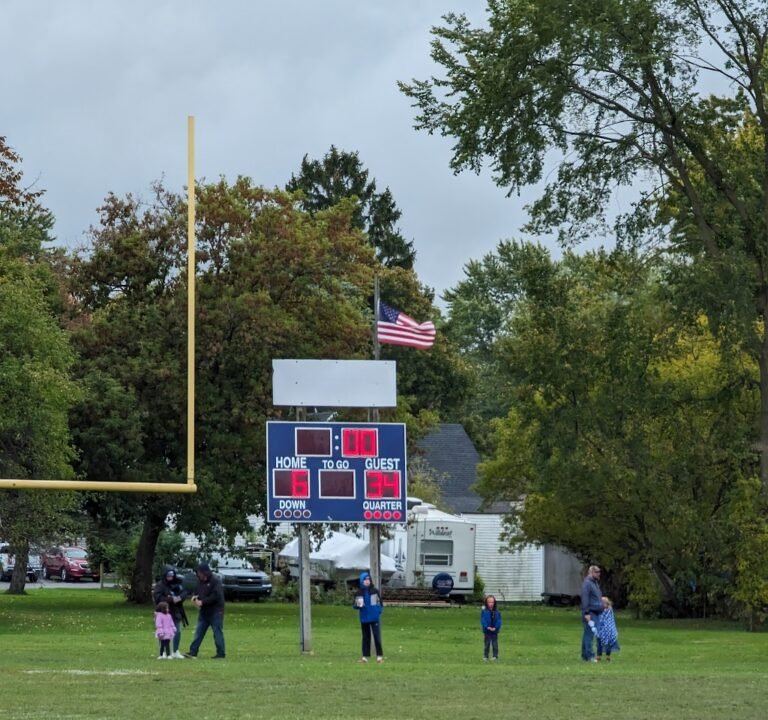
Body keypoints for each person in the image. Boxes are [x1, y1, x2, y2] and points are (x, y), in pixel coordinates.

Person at [184, 562, 226, 659]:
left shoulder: (215, 581)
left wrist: (203, 602)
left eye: (200, 573)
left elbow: (216, 596)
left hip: (216, 611)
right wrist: (195, 598)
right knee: (198, 632)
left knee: (217, 632)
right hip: (204, 612)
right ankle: (193, 651)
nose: (198, 575)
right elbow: (197, 592)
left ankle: (221, 653)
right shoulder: (199, 582)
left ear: (205, 572)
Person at [152, 566, 189, 659]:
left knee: (177, 631)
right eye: (168, 576)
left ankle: (175, 650)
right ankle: (163, 651)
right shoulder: (160, 585)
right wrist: (170, 599)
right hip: (164, 612)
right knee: (163, 632)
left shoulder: (177, 583)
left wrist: (179, 598)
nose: (170, 578)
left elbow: (184, 592)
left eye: (172, 575)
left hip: (176, 610)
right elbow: (157, 598)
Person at [353, 570, 383, 663]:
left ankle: (379, 655)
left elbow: (379, 603)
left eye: (368, 579)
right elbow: (355, 606)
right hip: (364, 618)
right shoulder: (359, 592)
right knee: (365, 637)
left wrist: (378, 611)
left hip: (374, 617)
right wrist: (357, 605)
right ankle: (365, 656)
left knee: (376, 636)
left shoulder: (374, 591)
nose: (367, 581)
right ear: (362, 581)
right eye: (365, 579)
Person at [580, 565, 603, 662]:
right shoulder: (587, 584)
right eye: (597, 572)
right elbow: (585, 598)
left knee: (588, 634)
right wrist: (586, 612)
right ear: (591, 572)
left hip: (596, 612)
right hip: (591, 613)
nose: (599, 574)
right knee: (589, 635)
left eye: (599, 572)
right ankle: (589, 656)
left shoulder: (595, 583)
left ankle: (585, 656)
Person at [596, 596, 620, 661]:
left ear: (607, 604)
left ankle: (608, 656)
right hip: (600, 630)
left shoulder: (609, 610)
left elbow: (610, 620)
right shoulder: (599, 610)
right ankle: (598, 656)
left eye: (603, 603)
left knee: (608, 643)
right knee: (599, 643)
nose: (602, 604)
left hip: (608, 629)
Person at [480, 594, 502, 661]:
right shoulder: (484, 611)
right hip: (487, 630)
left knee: (495, 644)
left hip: (494, 630)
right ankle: (486, 656)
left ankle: (495, 656)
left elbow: (499, 620)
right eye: (489, 602)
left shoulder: (497, 612)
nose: (491, 604)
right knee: (487, 644)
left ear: (494, 603)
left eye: (492, 602)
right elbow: (483, 620)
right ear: (486, 603)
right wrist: (487, 627)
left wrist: (496, 627)